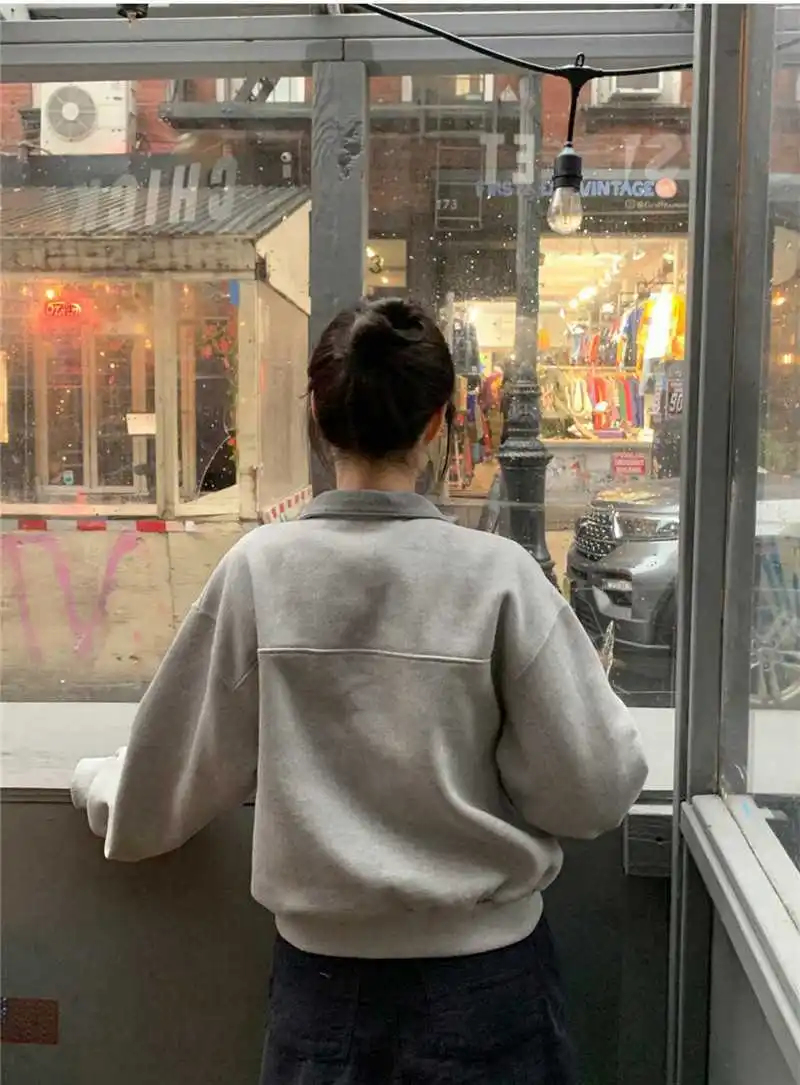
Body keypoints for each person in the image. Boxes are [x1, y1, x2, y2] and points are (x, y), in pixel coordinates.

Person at [71, 297, 648, 1085]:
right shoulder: (501, 577)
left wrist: (97, 782)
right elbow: (594, 790)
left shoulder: (259, 571)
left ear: (317, 413)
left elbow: (159, 792)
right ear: (439, 422)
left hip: (323, 995)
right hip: (490, 990)